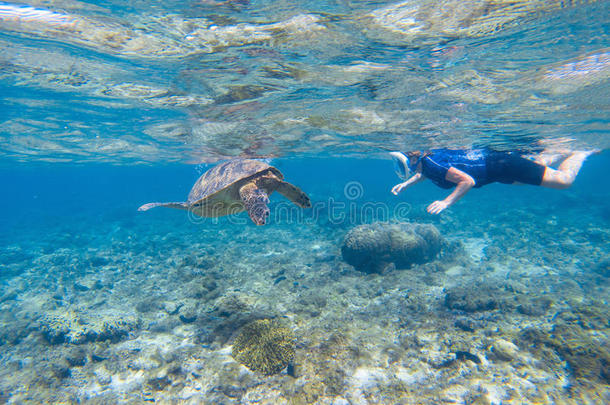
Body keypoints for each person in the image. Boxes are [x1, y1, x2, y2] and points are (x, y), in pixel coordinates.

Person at [390, 148, 596, 215]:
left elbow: (467, 181)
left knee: (564, 181)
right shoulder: (425, 163)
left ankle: (582, 152)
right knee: (526, 177)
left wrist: (446, 202)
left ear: (414, 159)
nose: (401, 168)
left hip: (502, 165)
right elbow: (426, 173)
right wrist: (406, 184)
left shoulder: (431, 163)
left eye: (402, 164)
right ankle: (556, 150)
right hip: (497, 170)